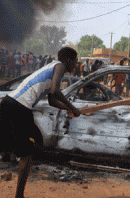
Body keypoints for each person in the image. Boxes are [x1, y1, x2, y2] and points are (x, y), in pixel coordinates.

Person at [0, 47, 81, 198]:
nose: (76, 65)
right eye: (75, 62)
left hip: (9, 103)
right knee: (27, 153)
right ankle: (19, 196)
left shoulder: (52, 67)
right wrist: (73, 107)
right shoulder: (60, 66)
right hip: (19, 107)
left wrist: (69, 110)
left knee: (8, 148)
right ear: (68, 60)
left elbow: (51, 100)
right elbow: (56, 90)